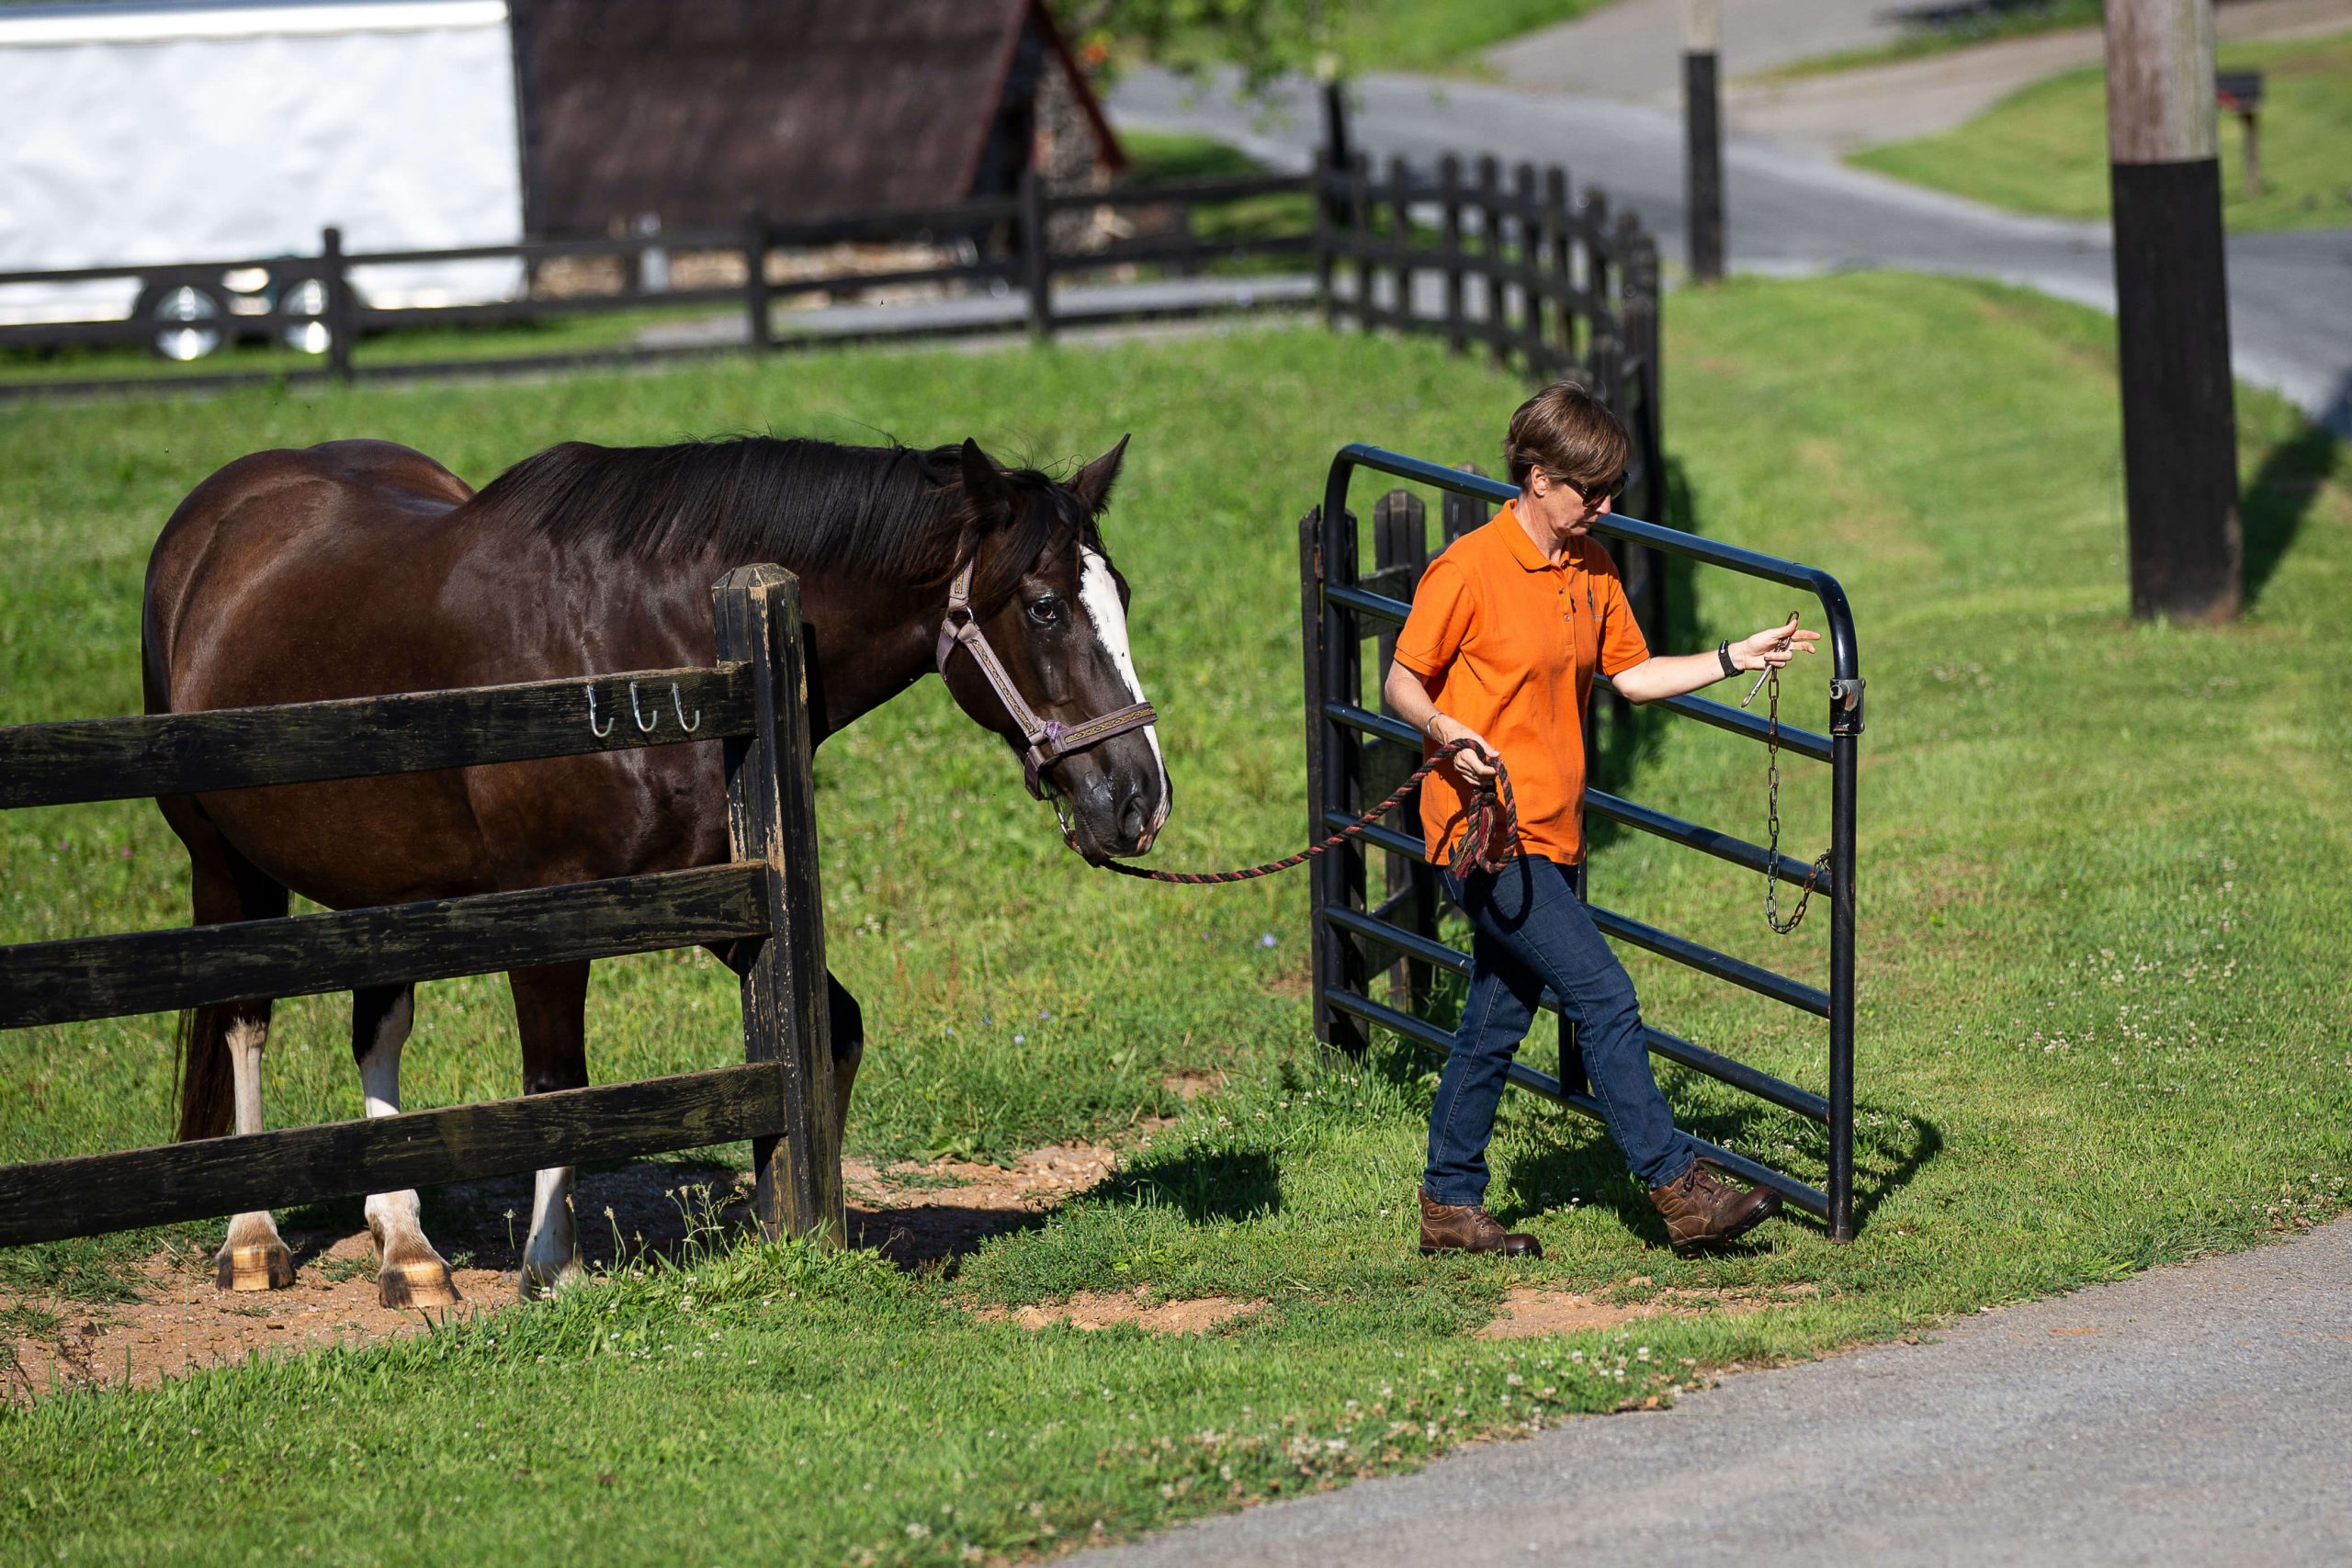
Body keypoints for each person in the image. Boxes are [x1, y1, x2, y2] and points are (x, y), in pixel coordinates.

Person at [1384, 381, 1817, 1258]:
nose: (1605, 505)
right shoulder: (1465, 570)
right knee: (1604, 994)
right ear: (1539, 478)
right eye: (1590, 489)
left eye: (1611, 489)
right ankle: (1676, 1187)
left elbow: (1634, 676)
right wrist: (1446, 730)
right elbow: (1400, 681)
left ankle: (1448, 1204)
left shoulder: (1592, 566)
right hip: (1484, 836)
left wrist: (1738, 656)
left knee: (1498, 1015)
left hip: (1557, 830)